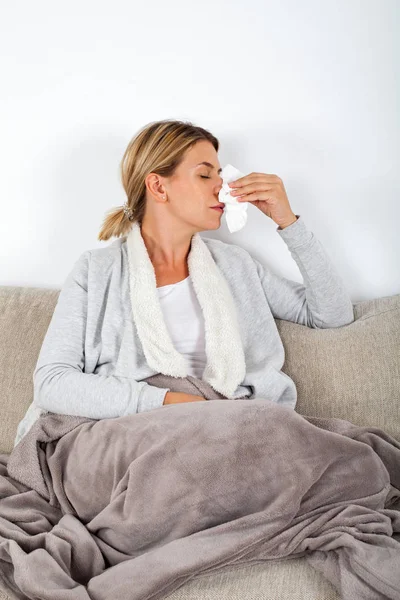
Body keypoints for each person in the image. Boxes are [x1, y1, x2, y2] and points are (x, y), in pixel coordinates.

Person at [14, 119, 354, 447]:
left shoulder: (235, 265)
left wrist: (287, 221)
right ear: (158, 186)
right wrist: (173, 403)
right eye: (205, 174)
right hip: (128, 434)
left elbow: (331, 315)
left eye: (219, 175)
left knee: (348, 454)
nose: (220, 186)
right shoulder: (96, 271)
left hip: (222, 428)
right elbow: (52, 382)